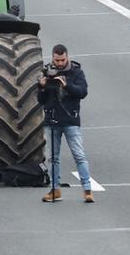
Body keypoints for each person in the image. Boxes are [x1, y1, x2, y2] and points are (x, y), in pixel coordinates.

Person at [38, 44, 93, 203]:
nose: (60, 63)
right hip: (52, 120)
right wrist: (41, 87)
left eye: (62, 60)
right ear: (52, 58)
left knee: (79, 155)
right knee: (53, 158)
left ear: (67, 57)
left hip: (70, 120)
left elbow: (82, 92)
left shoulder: (76, 72)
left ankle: (87, 189)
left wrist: (66, 84)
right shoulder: (47, 72)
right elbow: (40, 100)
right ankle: (55, 189)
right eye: (57, 60)